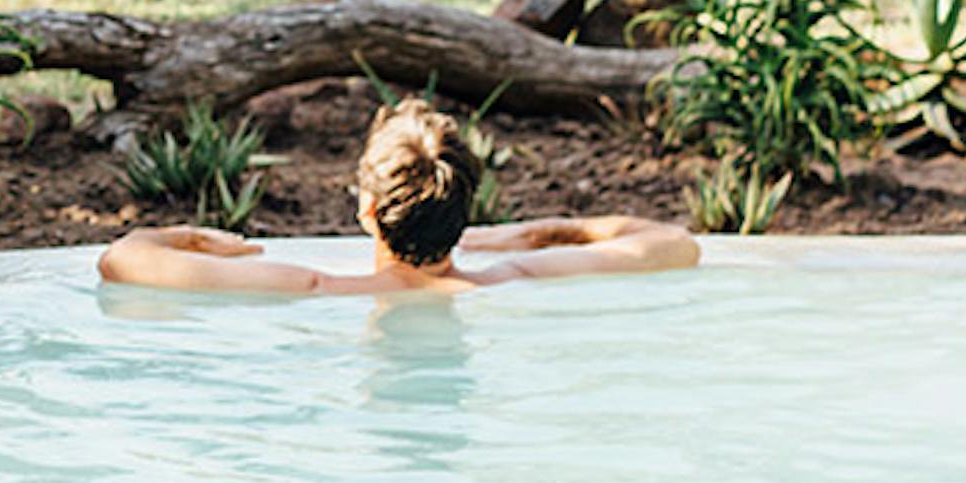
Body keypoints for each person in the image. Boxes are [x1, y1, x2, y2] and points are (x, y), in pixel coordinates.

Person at [99, 99, 698, 295]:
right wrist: (527, 234)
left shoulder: (313, 290)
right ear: (466, 209)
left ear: (366, 209)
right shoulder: (512, 275)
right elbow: (673, 243)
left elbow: (121, 258)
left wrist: (207, 240)